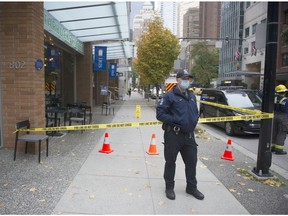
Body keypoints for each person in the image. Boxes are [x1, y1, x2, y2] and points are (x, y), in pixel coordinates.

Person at [156, 70, 204, 200]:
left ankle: (191, 187)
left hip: (189, 136)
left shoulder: (192, 96)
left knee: (191, 162)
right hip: (174, 135)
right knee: (171, 162)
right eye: (184, 78)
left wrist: (194, 121)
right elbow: (160, 114)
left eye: (188, 79)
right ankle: (169, 187)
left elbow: (195, 112)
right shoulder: (168, 96)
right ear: (177, 80)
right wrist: (176, 120)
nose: (186, 81)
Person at [272, 84, 288, 155]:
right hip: (283, 117)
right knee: (281, 133)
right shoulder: (286, 100)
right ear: (284, 92)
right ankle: (279, 150)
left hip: (274, 116)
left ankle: (272, 147)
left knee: (274, 131)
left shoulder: (274, 98)